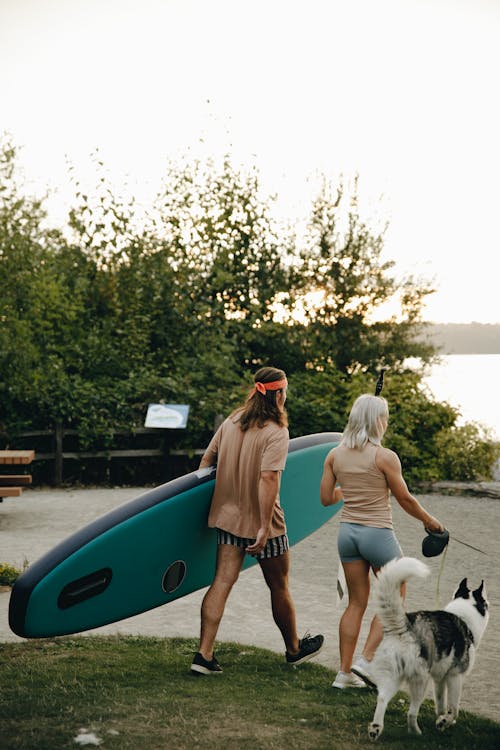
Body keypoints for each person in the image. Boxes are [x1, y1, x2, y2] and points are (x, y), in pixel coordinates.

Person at [191, 366, 324, 675]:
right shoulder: (276, 432)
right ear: (278, 394)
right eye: (285, 391)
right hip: (266, 522)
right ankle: (294, 649)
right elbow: (268, 479)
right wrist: (264, 527)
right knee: (279, 585)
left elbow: (206, 462)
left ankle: (204, 655)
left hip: (228, 517)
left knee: (222, 581)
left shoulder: (232, 421)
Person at [319, 393, 444, 689]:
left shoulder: (335, 455)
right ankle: (366, 661)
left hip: (348, 535)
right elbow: (405, 499)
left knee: (356, 604)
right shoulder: (385, 457)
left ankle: (344, 673)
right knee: (394, 598)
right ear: (376, 420)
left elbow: (326, 498)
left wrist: (348, 491)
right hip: (378, 535)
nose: (386, 422)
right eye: (385, 417)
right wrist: (430, 521)